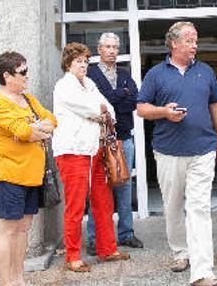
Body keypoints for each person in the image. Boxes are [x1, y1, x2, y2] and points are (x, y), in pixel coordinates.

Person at [136, 22, 217, 286]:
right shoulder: (156, 73)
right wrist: (164, 112)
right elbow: (142, 108)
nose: (194, 45)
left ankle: (202, 272)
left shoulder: (205, 71)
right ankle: (180, 251)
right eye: (189, 40)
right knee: (173, 205)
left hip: (203, 149)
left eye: (196, 40)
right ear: (174, 44)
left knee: (199, 208)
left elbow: (215, 105)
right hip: (168, 152)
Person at [53, 42, 130, 272]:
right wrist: (101, 113)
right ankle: (73, 256)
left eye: (86, 61)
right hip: (74, 151)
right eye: (79, 61)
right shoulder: (63, 86)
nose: (84, 65)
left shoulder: (90, 83)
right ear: (68, 63)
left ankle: (108, 249)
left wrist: (103, 113)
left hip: (96, 150)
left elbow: (109, 109)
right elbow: (89, 108)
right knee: (76, 205)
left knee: (104, 201)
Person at [0, 51, 56, 286]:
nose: (27, 77)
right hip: (10, 175)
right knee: (8, 229)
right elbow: (25, 132)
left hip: (32, 175)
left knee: (24, 228)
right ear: (7, 76)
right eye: (22, 72)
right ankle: (6, 282)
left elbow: (51, 119)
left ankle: (18, 279)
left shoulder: (27, 99)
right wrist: (34, 129)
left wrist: (38, 128)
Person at [85, 33, 143, 255]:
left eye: (115, 47)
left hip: (124, 137)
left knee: (124, 186)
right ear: (99, 50)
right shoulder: (90, 74)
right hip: (98, 140)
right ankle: (94, 236)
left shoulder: (125, 74)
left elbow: (134, 101)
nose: (112, 51)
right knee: (99, 188)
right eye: (107, 47)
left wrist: (113, 98)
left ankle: (126, 233)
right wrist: (120, 95)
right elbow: (100, 100)